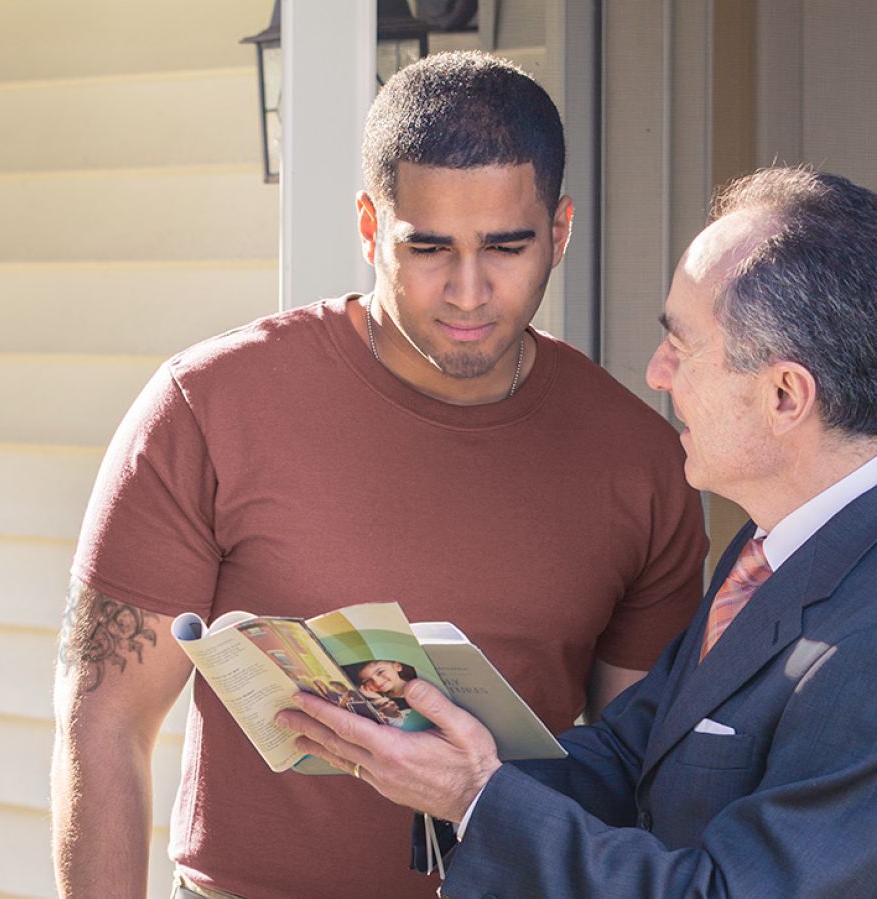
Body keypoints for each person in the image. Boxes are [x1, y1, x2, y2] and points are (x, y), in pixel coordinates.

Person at [50, 51, 706, 899]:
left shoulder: (639, 459)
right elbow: (103, 722)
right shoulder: (208, 406)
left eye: (507, 247)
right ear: (369, 226)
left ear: (562, 229)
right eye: (428, 247)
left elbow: (640, 767)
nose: (469, 291)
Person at [279, 165, 877, 897]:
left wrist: (476, 798)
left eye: (681, 346)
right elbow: (634, 755)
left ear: (786, 394)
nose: (657, 373)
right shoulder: (767, 552)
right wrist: (435, 748)